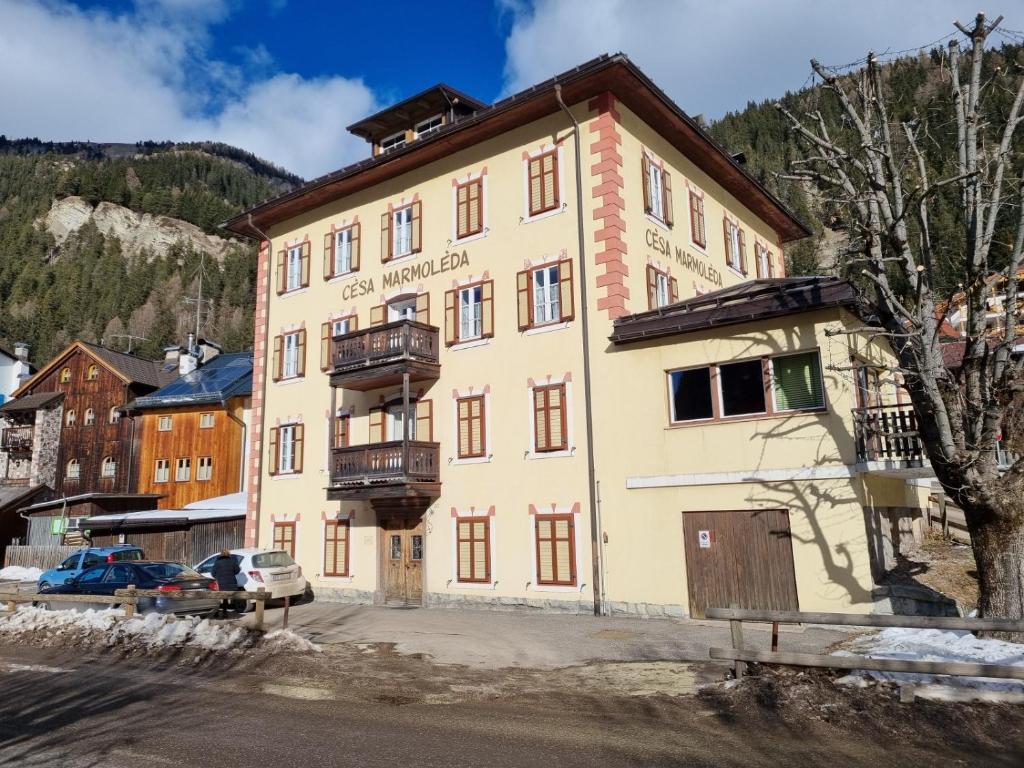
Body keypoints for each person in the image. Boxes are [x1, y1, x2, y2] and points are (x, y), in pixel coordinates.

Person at [211, 549, 240, 616]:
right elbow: (237, 570)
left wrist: (217, 576)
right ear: (228, 554)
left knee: (218, 597)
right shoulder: (232, 561)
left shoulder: (217, 563)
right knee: (226, 597)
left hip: (221, 585)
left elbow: (213, 573)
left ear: (220, 555)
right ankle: (225, 612)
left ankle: (217, 612)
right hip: (232, 585)